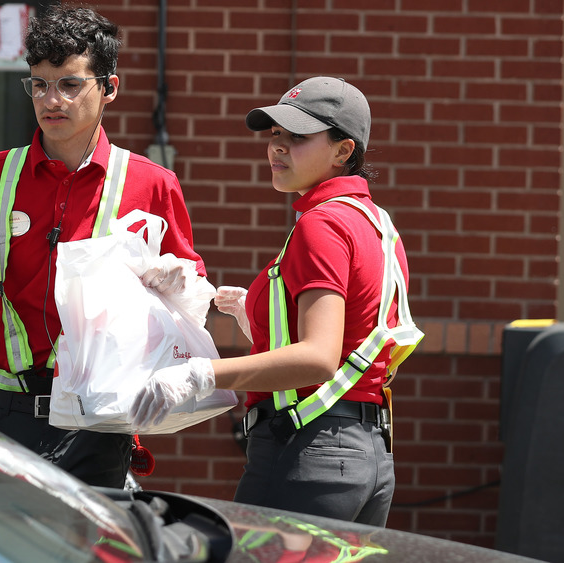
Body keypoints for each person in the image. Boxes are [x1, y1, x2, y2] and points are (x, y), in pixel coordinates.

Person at [0, 5, 205, 488]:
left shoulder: (151, 184)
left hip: (100, 417)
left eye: (70, 84)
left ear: (110, 88)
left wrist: (182, 284)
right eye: (39, 83)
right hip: (6, 409)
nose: (52, 99)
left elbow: (190, 303)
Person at [127, 77, 423, 525]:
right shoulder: (375, 222)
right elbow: (349, 340)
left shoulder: (321, 224)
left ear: (344, 151)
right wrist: (258, 316)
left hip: (308, 449)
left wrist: (198, 374)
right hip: (366, 454)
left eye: (298, 137)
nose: (277, 148)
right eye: (275, 135)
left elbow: (318, 357)